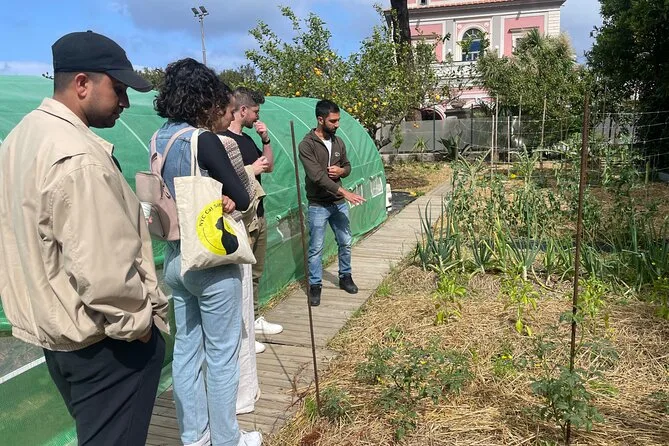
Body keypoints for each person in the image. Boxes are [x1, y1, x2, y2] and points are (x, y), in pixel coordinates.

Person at [0, 31, 168, 445]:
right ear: (81, 84)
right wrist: (140, 328)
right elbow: (103, 270)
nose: (125, 102)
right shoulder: (78, 157)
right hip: (105, 343)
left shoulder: (20, 138)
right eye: (119, 89)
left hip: (58, 332)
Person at [153, 58, 262, 446]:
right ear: (205, 100)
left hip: (175, 258)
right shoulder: (204, 140)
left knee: (186, 351)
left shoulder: (159, 140)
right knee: (221, 356)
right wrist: (229, 195)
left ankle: (194, 436)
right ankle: (227, 439)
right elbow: (243, 196)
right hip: (211, 260)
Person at [224, 87, 283, 354]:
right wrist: (251, 170)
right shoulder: (222, 140)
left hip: (258, 212)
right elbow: (223, 180)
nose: (258, 116)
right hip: (240, 217)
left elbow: (268, 166)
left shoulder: (247, 140)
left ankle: (254, 317)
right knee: (240, 275)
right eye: (255, 111)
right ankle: (242, 329)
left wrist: (266, 139)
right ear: (243, 110)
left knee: (256, 271)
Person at [298, 99, 365, 307]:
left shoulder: (338, 142)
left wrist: (341, 171)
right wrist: (344, 192)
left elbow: (347, 166)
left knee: (345, 241)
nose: (337, 125)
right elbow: (317, 177)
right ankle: (315, 285)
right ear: (320, 119)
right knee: (316, 248)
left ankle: (345, 276)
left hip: (338, 203)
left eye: (338, 120)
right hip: (318, 204)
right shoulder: (307, 145)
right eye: (333, 121)